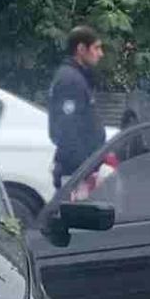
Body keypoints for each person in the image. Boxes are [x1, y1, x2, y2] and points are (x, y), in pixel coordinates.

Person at [48, 26, 108, 188]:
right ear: (81, 49)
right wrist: (84, 169)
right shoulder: (70, 81)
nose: (100, 54)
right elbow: (68, 131)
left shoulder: (76, 77)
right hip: (76, 172)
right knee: (78, 212)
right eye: (96, 48)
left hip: (80, 169)